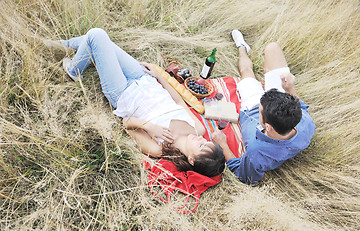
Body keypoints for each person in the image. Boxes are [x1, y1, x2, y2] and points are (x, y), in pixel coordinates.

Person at [46, 28, 225, 177]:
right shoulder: (198, 129)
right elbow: (178, 100)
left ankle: (73, 70)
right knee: (101, 42)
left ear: (192, 160)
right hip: (143, 79)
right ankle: (62, 45)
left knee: (97, 36)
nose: (200, 139)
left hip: (122, 92)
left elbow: (127, 124)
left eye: (201, 145)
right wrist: (159, 76)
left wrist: (150, 127)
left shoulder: (158, 148)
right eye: (205, 141)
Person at [212, 29, 316, 185]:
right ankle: (269, 78)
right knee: (272, 48)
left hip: (250, 107)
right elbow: (300, 106)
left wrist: (223, 144)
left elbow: (244, 175)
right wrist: (289, 89)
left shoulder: (257, 151)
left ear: (267, 126)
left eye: (260, 112)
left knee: (246, 72)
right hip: (278, 99)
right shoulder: (306, 124)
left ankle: (242, 48)